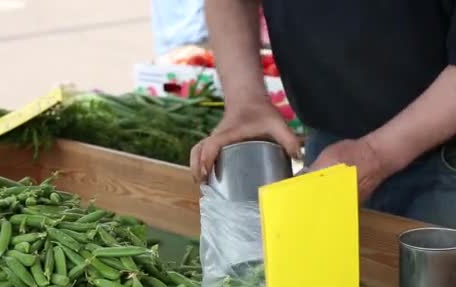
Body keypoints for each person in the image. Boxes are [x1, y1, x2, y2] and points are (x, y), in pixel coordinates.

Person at [190, 0, 456, 227]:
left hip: (443, 159)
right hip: (331, 150)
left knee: (436, 286)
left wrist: (375, 153)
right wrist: (246, 102)